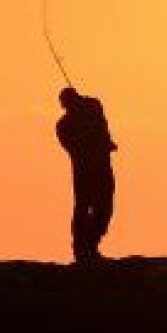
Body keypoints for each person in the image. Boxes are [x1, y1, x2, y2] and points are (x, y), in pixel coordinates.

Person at [56, 87, 118, 263]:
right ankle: (82, 249)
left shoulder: (92, 106)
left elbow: (100, 123)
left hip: (103, 169)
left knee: (105, 208)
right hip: (83, 173)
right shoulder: (63, 126)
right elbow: (75, 149)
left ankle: (91, 245)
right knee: (83, 209)